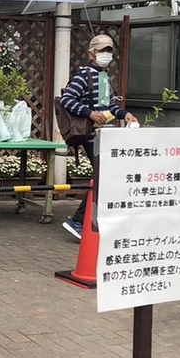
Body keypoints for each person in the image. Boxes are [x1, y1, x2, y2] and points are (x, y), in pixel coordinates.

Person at [58, 34, 138, 240]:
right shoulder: (84, 76)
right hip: (91, 133)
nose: (106, 55)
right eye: (102, 50)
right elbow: (66, 99)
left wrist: (124, 114)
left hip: (104, 133)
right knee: (105, 175)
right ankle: (79, 221)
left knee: (106, 176)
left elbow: (109, 105)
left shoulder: (103, 76)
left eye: (109, 51)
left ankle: (89, 221)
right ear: (91, 54)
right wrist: (90, 113)